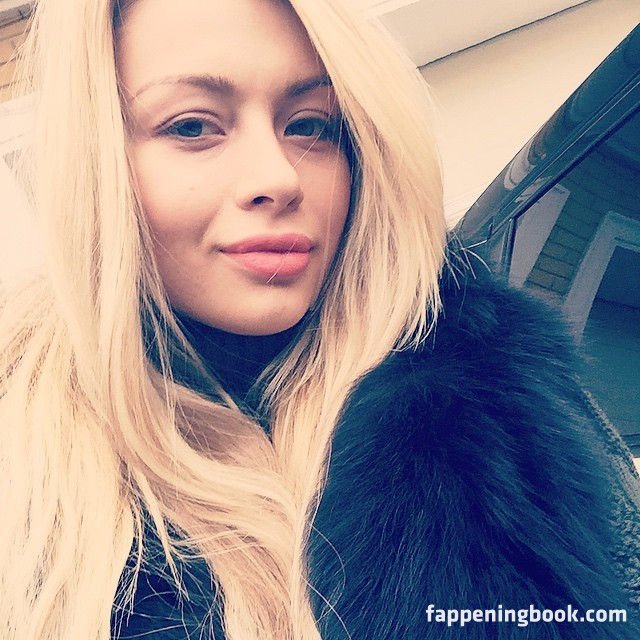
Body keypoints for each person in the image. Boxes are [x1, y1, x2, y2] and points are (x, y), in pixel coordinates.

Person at [1, 0, 639, 638]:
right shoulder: (24, 457)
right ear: (95, 162)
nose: (279, 177)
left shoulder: (496, 401)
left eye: (310, 125)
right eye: (193, 126)